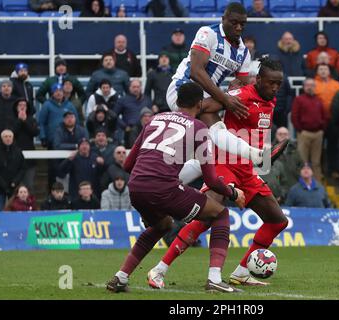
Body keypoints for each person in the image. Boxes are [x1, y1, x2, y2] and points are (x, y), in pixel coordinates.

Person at [147, 58, 289, 289]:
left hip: (247, 170)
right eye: (271, 83)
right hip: (224, 164)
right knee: (208, 216)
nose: (275, 88)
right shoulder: (242, 95)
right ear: (259, 79)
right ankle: (159, 270)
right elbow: (203, 108)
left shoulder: (270, 101)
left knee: (277, 221)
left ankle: (241, 272)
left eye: (279, 84)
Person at [106, 82, 246, 293]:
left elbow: (127, 165)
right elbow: (211, 178)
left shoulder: (155, 119)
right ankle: (215, 279)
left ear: (178, 101)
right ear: (200, 104)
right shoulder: (198, 128)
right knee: (220, 213)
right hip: (163, 188)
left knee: (162, 225)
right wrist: (233, 193)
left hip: (135, 186)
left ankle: (120, 277)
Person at [165, 3, 286, 175]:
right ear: (223, 19)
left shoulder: (243, 52)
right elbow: (196, 71)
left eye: (242, 24)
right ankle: (256, 155)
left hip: (207, 96)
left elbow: (241, 85)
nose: (238, 27)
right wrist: (225, 98)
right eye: (234, 22)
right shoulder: (208, 33)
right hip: (182, 90)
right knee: (214, 131)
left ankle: (171, 183)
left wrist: (232, 93)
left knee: (209, 156)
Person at [292, 78, 326, 182]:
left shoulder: (319, 100)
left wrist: (322, 129)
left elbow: (325, 115)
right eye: (308, 85)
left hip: (318, 134)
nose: (310, 87)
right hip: (304, 133)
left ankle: (317, 185)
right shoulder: (299, 99)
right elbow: (294, 116)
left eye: (312, 85)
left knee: (316, 162)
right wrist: (300, 130)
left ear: (315, 87)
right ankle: (303, 184)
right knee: (303, 161)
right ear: (304, 87)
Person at [260, 127, 301, 204]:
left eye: (285, 134)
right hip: (264, 197)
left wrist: (281, 195)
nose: (282, 136)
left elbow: (301, 167)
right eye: (280, 134)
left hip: (290, 187)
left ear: (289, 136)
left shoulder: (295, 150)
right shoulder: (256, 165)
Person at [0, 130, 25, 211]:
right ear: (2, 138)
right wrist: (3, 184)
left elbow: (22, 168)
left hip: (14, 188)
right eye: (5, 136)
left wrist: (15, 182)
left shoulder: (18, 152)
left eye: (10, 136)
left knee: (15, 211)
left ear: (13, 138)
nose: (8, 138)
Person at [38, 83, 78, 150]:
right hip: (52, 139)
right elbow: (41, 122)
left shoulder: (70, 105)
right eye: (56, 91)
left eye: (60, 91)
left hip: (68, 140)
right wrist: (43, 137)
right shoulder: (47, 105)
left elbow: (76, 121)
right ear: (52, 93)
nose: (58, 93)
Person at [114, 79, 152, 148]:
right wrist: (124, 126)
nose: (136, 89)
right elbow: (114, 115)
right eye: (134, 87)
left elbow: (151, 115)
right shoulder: (123, 100)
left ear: (141, 88)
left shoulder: (147, 100)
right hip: (129, 131)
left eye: (137, 87)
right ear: (129, 88)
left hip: (145, 130)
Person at [12, 99, 39, 193]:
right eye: (20, 105)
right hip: (15, 155)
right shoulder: (11, 119)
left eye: (24, 105)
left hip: (29, 156)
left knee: (29, 185)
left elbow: (35, 132)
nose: (22, 107)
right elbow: (12, 132)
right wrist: (19, 121)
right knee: (16, 185)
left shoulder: (32, 119)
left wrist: (25, 121)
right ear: (16, 107)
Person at [0, 80, 16, 148]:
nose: (6, 88)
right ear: (0, 89)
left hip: (13, 135)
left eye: (9, 86)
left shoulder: (16, 102)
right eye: (4, 86)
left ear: (12, 88)